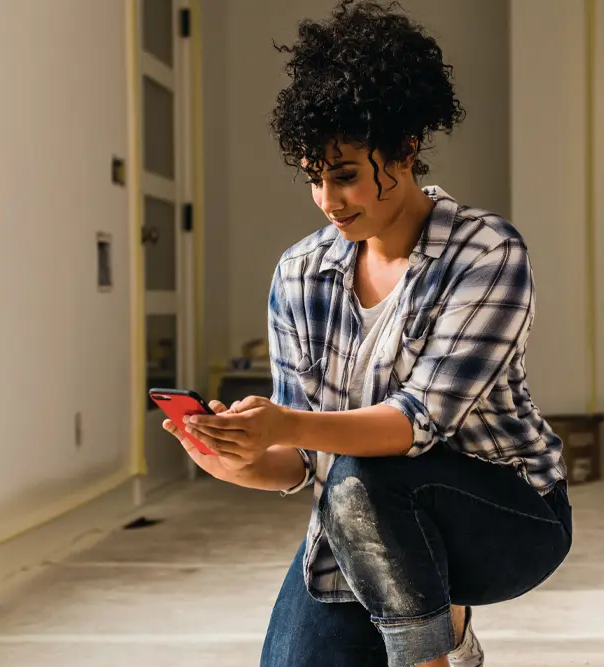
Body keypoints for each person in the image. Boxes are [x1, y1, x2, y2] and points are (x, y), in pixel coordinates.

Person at [162, 2, 572, 665]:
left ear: (404, 150)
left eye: (345, 173)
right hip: (358, 522)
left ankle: (432, 654)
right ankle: (441, 624)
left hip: (507, 515)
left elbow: (415, 424)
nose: (328, 198)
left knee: (369, 473)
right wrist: (235, 457)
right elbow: (299, 465)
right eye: (313, 178)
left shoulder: (486, 253)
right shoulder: (300, 274)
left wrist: (285, 423)